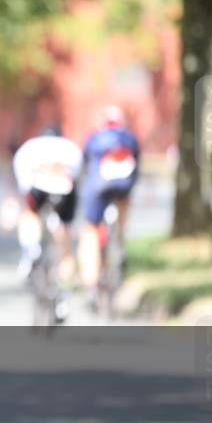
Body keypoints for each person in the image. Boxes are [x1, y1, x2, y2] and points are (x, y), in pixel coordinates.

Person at [11, 124, 83, 321]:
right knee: (64, 238)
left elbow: (23, 182)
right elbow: (77, 176)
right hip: (65, 190)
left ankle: (31, 249)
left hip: (38, 185)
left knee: (30, 215)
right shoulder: (70, 148)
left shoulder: (30, 147)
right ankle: (64, 294)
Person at [77, 105, 140, 306]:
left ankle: (91, 284)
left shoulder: (94, 138)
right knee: (124, 204)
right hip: (124, 186)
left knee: (90, 230)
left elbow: (85, 165)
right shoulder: (129, 139)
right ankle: (119, 240)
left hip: (99, 186)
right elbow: (137, 165)